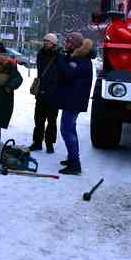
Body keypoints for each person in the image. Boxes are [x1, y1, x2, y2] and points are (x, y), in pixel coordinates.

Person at [50, 32, 94, 175]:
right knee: (70, 129)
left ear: (75, 44)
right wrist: (63, 57)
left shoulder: (82, 60)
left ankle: (75, 164)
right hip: (72, 99)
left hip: (74, 101)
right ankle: (72, 158)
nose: (66, 44)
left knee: (66, 130)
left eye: (69, 42)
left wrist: (59, 58)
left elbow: (68, 73)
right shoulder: (77, 57)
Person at [29, 33, 60, 154]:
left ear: (54, 43)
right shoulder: (40, 54)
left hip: (54, 93)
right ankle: (37, 142)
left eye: (48, 41)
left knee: (52, 121)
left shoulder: (58, 55)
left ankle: (49, 143)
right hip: (41, 92)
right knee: (38, 120)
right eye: (45, 41)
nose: (45, 43)